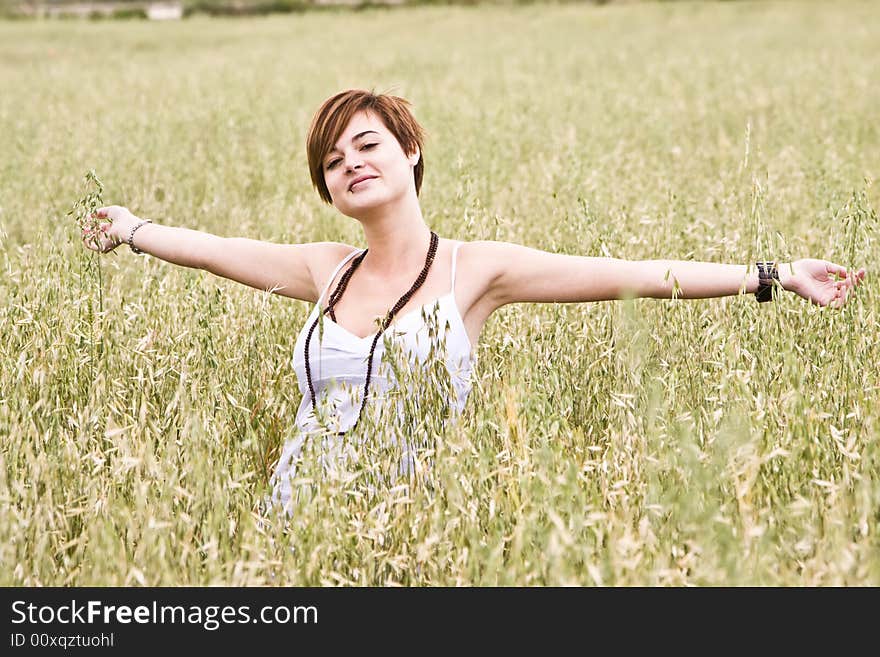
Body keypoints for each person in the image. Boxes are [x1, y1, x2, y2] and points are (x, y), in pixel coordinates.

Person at [81, 89, 867, 517]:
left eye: (367, 145)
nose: (350, 163)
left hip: (408, 526)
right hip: (293, 519)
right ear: (325, 190)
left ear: (410, 151)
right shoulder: (327, 269)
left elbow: (636, 272)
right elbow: (212, 249)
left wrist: (775, 272)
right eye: (332, 160)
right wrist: (131, 228)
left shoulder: (477, 271)